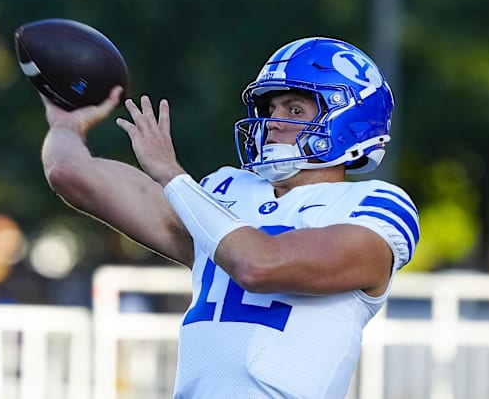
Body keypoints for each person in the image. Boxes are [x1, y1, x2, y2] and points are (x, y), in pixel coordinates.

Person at [39, 37, 420, 398]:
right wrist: (66, 124)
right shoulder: (225, 191)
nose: (273, 121)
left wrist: (172, 176)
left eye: (295, 109)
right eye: (271, 108)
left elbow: (258, 265)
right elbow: (69, 173)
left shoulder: (373, 204)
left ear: (348, 121)